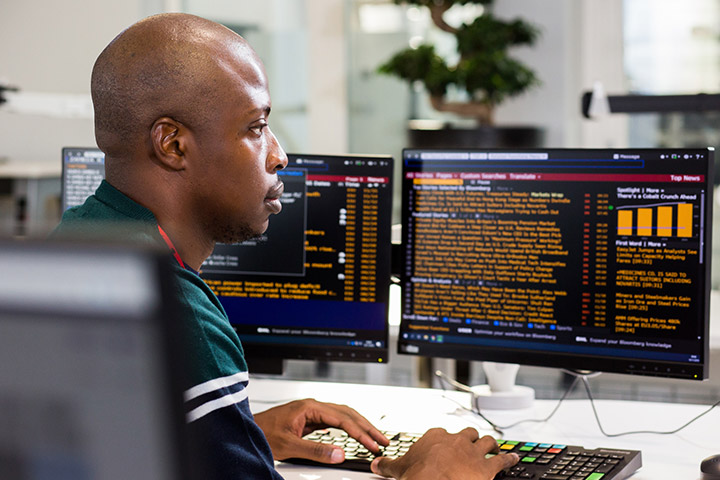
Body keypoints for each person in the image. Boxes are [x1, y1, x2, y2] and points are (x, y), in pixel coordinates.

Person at [53, 12, 519, 480]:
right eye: (255, 127)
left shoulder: (75, 243)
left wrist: (239, 432)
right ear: (172, 145)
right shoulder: (178, 312)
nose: (279, 154)